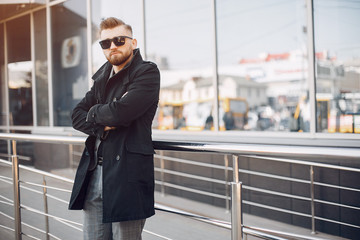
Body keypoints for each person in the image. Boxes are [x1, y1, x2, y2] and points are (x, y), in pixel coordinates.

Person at [68, 17, 160, 240]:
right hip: (94, 173)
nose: (112, 47)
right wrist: (102, 124)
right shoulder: (101, 78)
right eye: (105, 43)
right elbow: (76, 116)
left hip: (126, 176)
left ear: (133, 42)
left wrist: (96, 112)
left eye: (119, 40)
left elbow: (121, 113)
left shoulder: (146, 72)